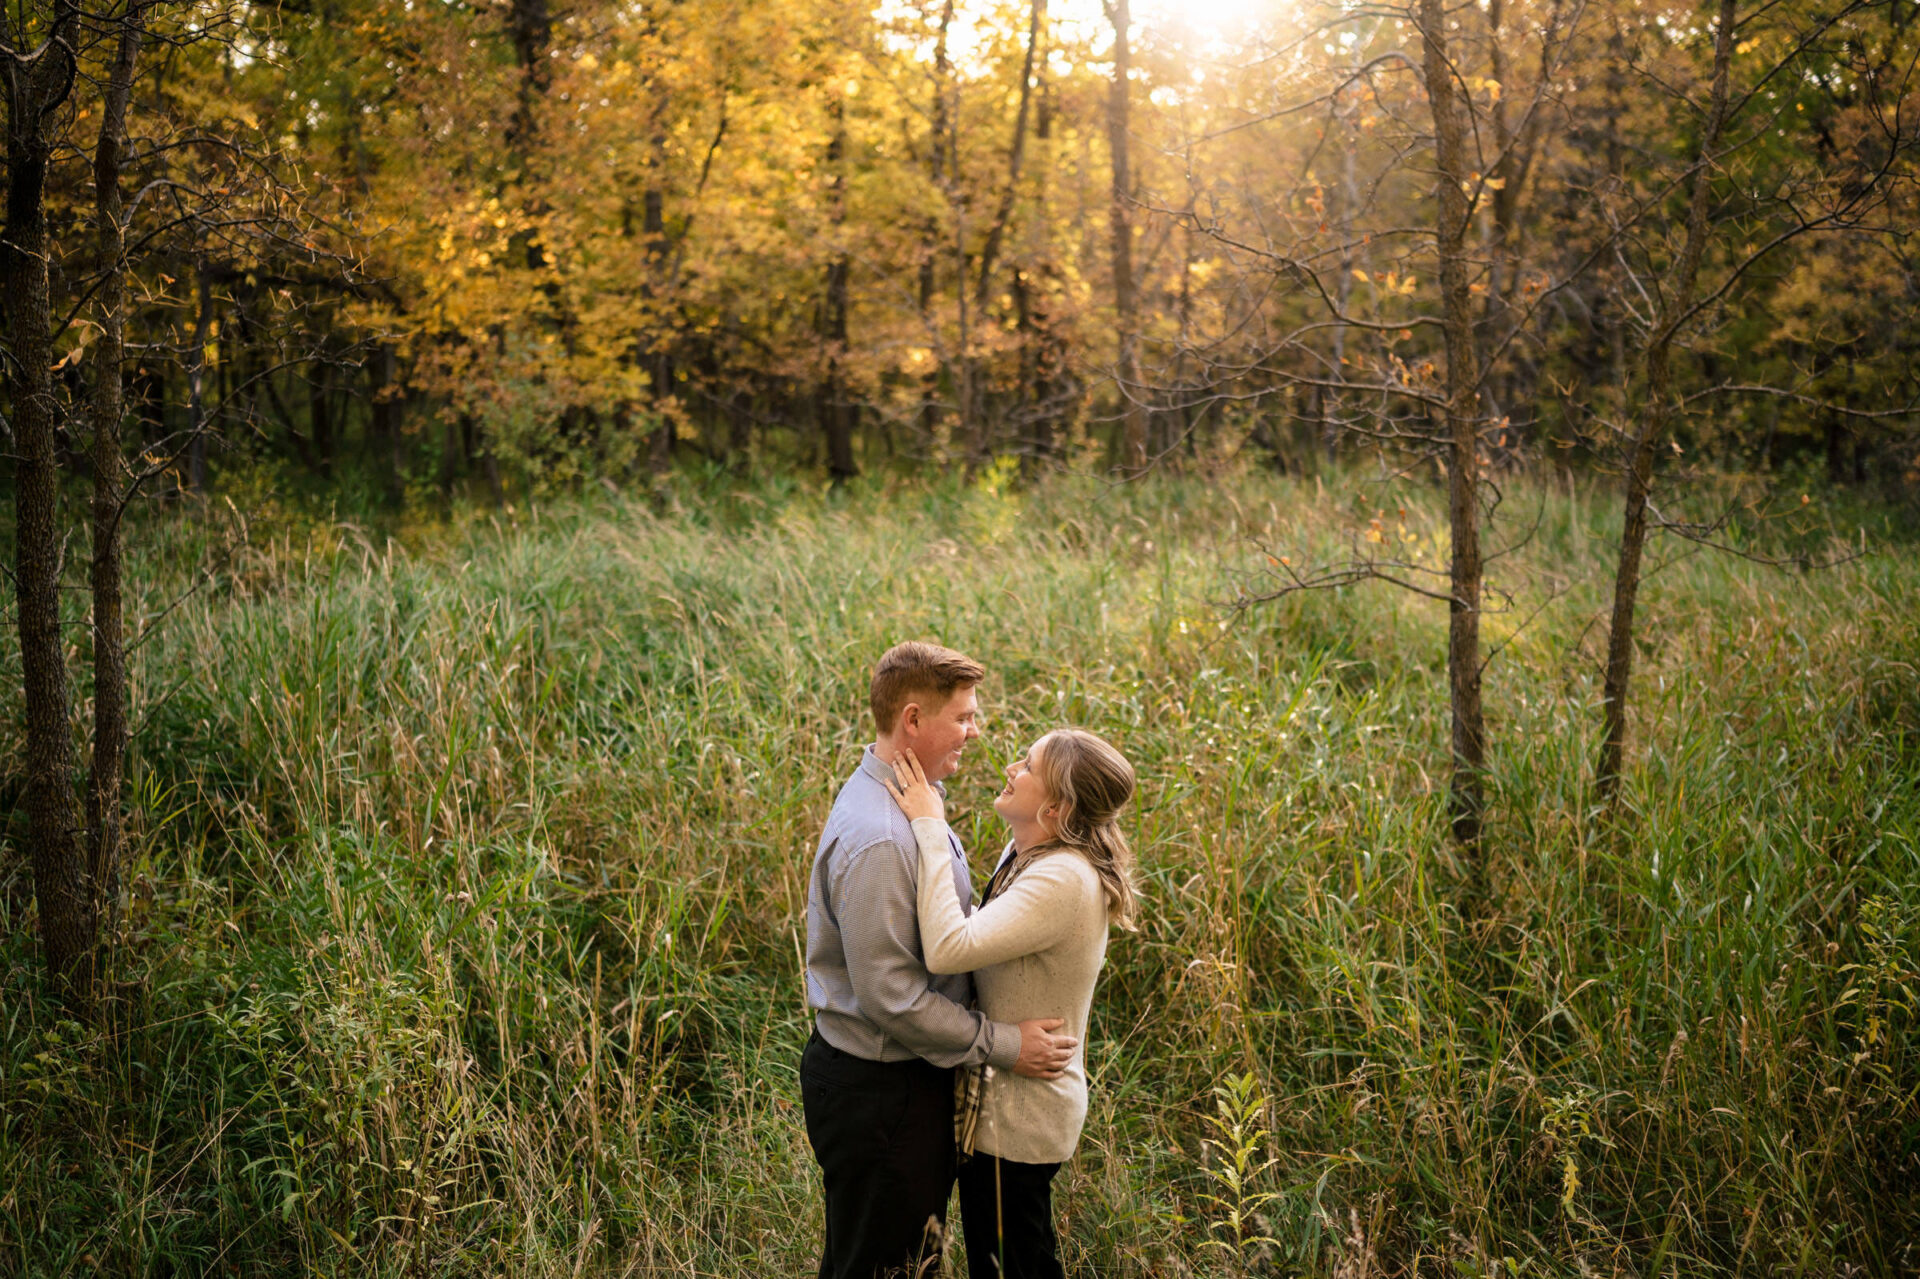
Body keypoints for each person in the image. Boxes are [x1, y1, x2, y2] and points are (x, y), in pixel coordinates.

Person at [802, 641, 1079, 1279]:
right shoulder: (882, 836)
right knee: (881, 1268)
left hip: (902, 1084)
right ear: (913, 720)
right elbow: (892, 998)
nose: (974, 732)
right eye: (962, 718)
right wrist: (1004, 1043)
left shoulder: (908, 793)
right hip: (882, 1091)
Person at [883, 729, 1138, 1279]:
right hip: (1002, 1108)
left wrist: (929, 826)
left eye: (1027, 765)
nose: (1010, 767)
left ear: (1055, 806)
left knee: (1013, 1267)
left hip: (1022, 1121)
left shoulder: (1063, 878)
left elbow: (951, 946)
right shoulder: (1028, 853)